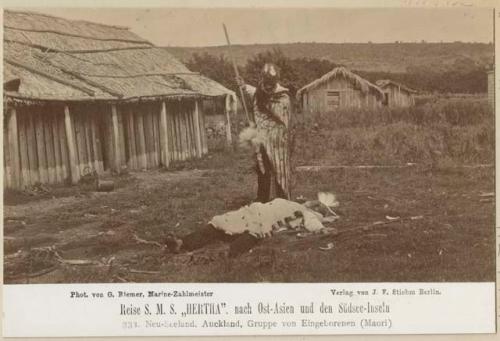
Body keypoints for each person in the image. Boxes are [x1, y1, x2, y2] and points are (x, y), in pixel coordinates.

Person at [237, 63, 292, 203]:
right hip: (262, 138)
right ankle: (263, 199)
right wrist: (243, 86)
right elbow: (254, 92)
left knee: (280, 170)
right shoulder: (260, 92)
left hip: (278, 141)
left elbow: (281, 118)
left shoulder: (283, 96)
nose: (267, 86)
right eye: (265, 82)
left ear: (275, 81)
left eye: (270, 83)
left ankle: (283, 199)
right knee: (262, 168)